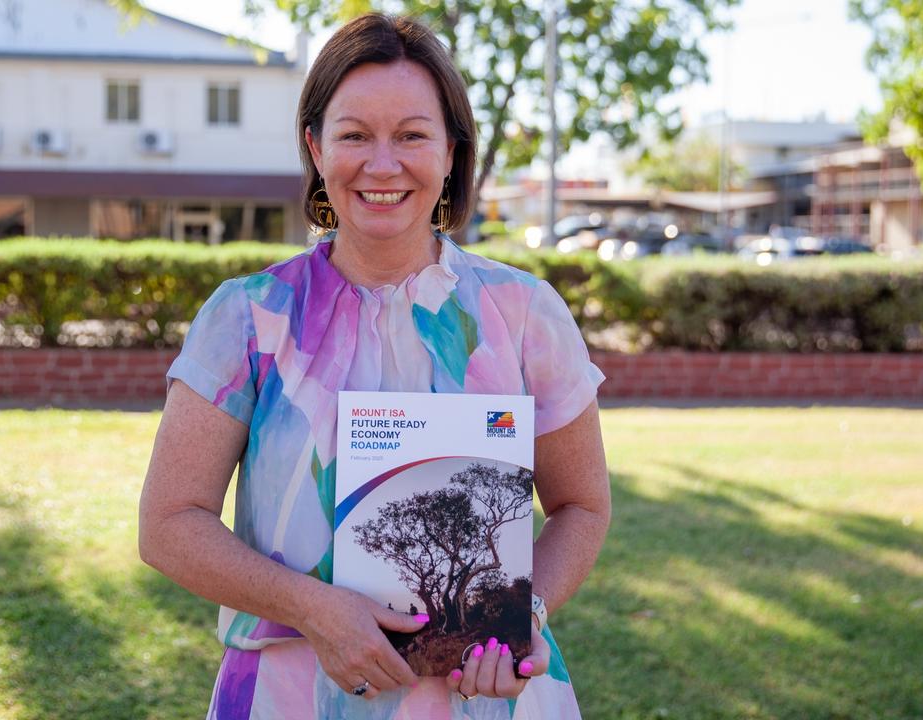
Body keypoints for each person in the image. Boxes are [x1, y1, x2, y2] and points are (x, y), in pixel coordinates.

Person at [138, 14, 610, 719]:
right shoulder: (249, 317)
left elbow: (581, 504)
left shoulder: (523, 313)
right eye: (355, 134)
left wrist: (524, 611)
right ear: (316, 148)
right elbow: (169, 523)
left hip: (492, 701)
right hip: (290, 698)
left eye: (412, 135)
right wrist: (314, 608)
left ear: (452, 150)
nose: (382, 164)